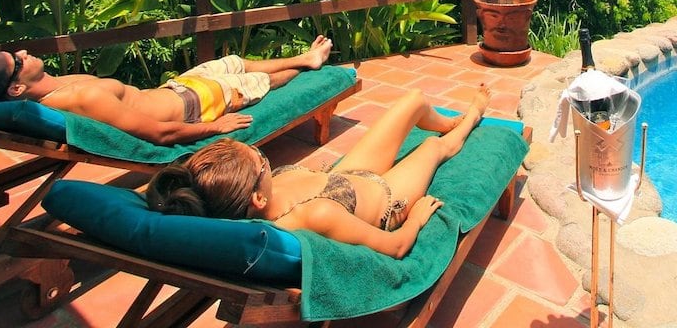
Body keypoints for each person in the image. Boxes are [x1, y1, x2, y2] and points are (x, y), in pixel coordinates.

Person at [146, 85, 491, 258]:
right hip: (386, 198)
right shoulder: (314, 215)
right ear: (258, 197)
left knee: (414, 100)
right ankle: (472, 117)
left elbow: (164, 191)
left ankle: (446, 122)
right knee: (432, 147)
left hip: (347, 179)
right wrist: (415, 219)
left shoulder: (242, 196)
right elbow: (396, 248)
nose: (261, 154)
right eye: (260, 159)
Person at [0, 37, 333, 146]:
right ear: (17, 87)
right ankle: (303, 67)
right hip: (195, 103)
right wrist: (216, 128)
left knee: (233, 60)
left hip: (174, 87)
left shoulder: (55, 87)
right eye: (15, 61)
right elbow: (159, 133)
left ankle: (304, 57)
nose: (22, 53)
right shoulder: (81, 99)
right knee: (258, 82)